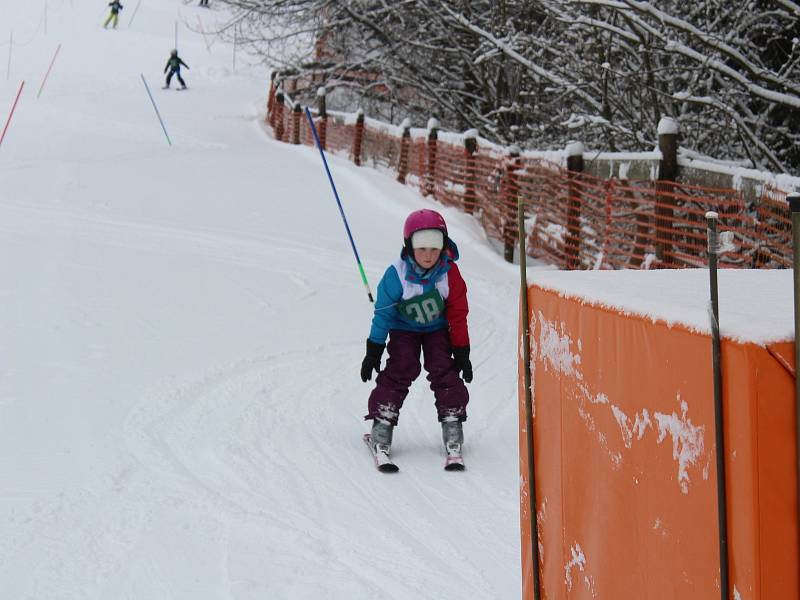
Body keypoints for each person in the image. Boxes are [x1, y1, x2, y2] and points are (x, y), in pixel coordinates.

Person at [361, 208, 473, 461]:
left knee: (444, 368)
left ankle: (452, 422)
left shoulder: (449, 274)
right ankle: (382, 423)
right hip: (404, 330)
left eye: (434, 248)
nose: (428, 255)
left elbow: (458, 313)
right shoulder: (397, 274)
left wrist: (461, 350)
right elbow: (383, 314)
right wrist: (374, 349)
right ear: (409, 246)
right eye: (421, 248)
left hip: (437, 329)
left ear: (443, 246)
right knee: (402, 367)